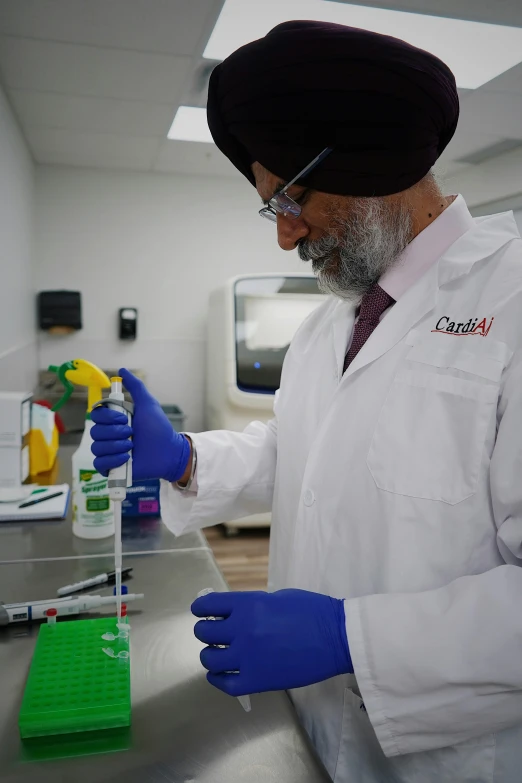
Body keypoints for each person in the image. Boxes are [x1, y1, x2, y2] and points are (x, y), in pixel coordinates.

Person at [91, 20, 522, 783]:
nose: (285, 236)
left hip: (452, 760)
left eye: (292, 196)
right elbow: (304, 451)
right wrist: (187, 456)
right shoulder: (332, 321)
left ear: (370, 157)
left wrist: (355, 637)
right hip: (312, 735)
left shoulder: (511, 299)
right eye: (271, 207)